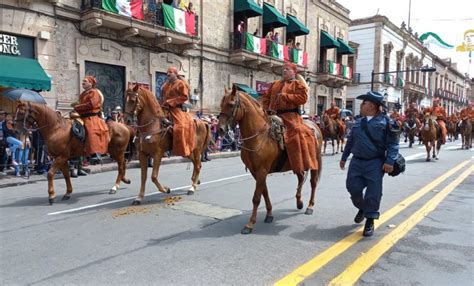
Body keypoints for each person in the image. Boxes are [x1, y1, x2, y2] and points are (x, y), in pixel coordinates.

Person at [340, 91, 400, 237]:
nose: (361, 105)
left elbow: (393, 144)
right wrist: (344, 157)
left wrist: (390, 161)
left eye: (364, 103)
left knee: (373, 192)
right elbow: (351, 141)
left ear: (372, 106)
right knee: (353, 188)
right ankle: (363, 207)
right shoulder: (359, 121)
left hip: (375, 162)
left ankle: (370, 220)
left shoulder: (386, 123)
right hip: (356, 161)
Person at [262, 62, 319, 173]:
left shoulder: (297, 84)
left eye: (287, 69)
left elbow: (303, 98)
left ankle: (303, 161)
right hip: (274, 114)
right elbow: (265, 98)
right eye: (283, 69)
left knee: (297, 132)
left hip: (291, 116)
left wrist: (286, 96)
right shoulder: (275, 84)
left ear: (294, 72)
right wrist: (264, 108)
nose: (284, 71)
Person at [161, 66, 196, 157]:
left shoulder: (180, 84)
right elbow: (162, 97)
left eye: (170, 72)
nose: (168, 74)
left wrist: (171, 102)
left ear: (175, 74)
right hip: (164, 108)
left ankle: (179, 148)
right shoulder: (165, 85)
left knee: (179, 127)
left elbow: (185, 97)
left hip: (176, 109)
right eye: (167, 72)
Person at [73, 76, 109, 158]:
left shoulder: (94, 92)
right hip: (81, 116)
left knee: (90, 131)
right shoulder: (82, 94)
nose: (83, 83)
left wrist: (78, 107)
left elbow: (91, 105)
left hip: (91, 117)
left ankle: (95, 152)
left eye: (85, 81)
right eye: (82, 81)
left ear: (90, 83)